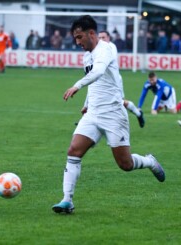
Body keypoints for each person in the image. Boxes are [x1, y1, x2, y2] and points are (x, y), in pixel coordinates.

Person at [52, 15, 165, 214]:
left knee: (125, 164)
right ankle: (67, 200)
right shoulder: (87, 54)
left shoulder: (105, 49)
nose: (77, 42)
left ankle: (149, 161)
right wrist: (87, 103)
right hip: (93, 113)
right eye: (75, 38)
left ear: (92, 34)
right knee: (74, 151)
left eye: (80, 37)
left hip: (113, 113)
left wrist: (76, 86)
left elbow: (97, 72)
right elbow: (95, 81)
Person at [97, 30, 144, 128]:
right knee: (97, 99)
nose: (101, 39)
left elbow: (107, 62)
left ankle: (138, 114)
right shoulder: (98, 48)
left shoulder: (111, 47)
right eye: (99, 38)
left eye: (103, 37)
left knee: (120, 103)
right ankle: (87, 122)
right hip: (102, 80)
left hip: (114, 80)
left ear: (108, 38)